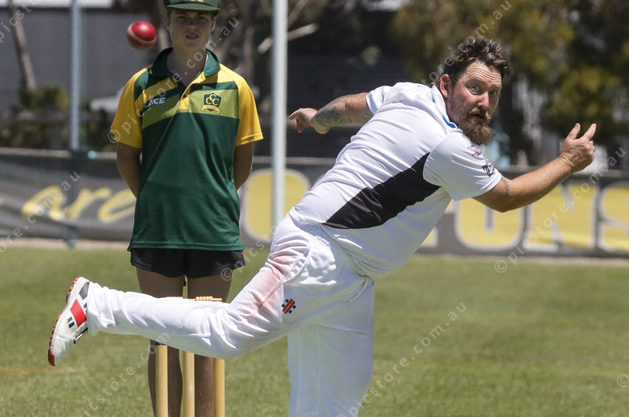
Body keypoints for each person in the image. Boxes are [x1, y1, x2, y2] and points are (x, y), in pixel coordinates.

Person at [49, 37, 596, 416]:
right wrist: (568, 162)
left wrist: (317, 119)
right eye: (476, 88)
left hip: (351, 278)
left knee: (337, 401)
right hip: (318, 254)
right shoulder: (448, 145)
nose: (485, 102)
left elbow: (351, 107)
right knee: (229, 334)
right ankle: (96, 305)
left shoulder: (408, 93)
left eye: (494, 94)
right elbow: (506, 198)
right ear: (447, 84)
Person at [105, 0, 263, 416]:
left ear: (213, 25)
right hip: (157, 230)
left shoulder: (236, 87)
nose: (191, 26)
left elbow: (243, 161)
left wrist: (212, 199)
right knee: (163, 342)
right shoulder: (140, 85)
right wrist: (154, 199)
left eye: (201, 19)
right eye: (182, 18)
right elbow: (126, 156)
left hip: (214, 231)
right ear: (168, 22)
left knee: (206, 343)